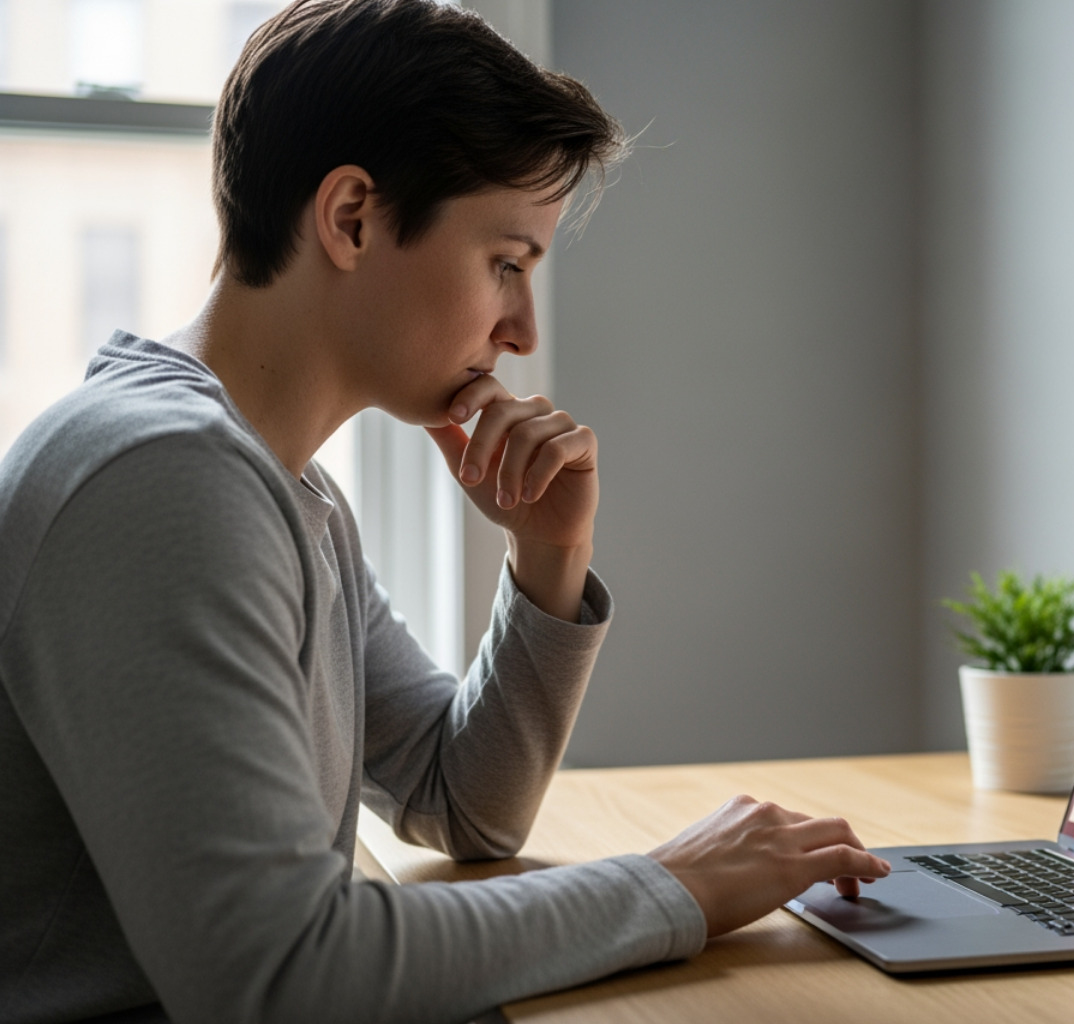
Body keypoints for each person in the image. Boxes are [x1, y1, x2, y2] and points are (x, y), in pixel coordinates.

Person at [0, 3, 888, 1022]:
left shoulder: (285, 492)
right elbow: (281, 974)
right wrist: (675, 886)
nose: (521, 329)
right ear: (351, 218)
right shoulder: (161, 477)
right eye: (505, 263)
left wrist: (547, 558)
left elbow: (463, 802)